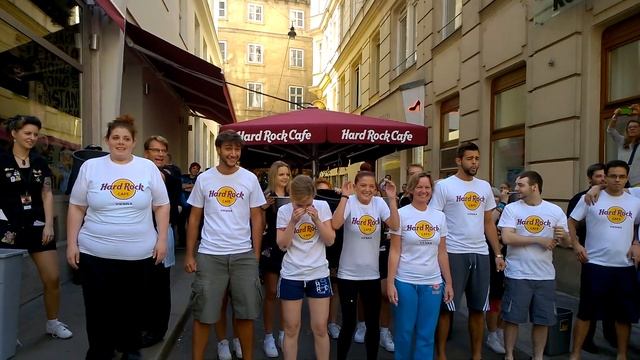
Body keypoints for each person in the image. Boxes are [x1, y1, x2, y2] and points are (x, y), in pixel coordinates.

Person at [67, 115, 170, 359]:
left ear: (134, 142)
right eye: (116, 138)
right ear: (107, 140)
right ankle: (100, 352)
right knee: (97, 311)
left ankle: (130, 352)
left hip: (138, 255)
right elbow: (76, 206)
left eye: (126, 138)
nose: (120, 142)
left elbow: (162, 205)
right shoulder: (90, 167)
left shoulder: (147, 168)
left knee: (132, 310)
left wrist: (162, 239)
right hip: (94, 254)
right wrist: (72, 243)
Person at [184, 130, 265, 360]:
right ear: (219, 150)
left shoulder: (249, 178)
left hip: (243, 254)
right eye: (228, 148)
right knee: (204, 313)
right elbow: (194, 218)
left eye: (237, 149)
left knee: (246, 313)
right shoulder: (205, 178)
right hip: (210, 254)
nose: (233, 153)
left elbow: (257, 218)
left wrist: (255, 254)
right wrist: (190, 255)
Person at [430, 142, 505, 360]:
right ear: (459, 160)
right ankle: (442, 354)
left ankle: (477, 355)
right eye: (470, 158)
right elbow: (436, 220)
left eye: (477, 159)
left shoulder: (484, 187)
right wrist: (438, 253)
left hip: (480, 253)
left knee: (478, 308)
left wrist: (498, 254)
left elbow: (488, 222)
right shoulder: (444, 186)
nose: (474, 163)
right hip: (454, 252)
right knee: (447, 309)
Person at [0, 115, 72, 340]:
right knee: (6, 284)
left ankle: (53, 323)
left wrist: (49, 224)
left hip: (38, 226)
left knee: (52, 277)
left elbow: (47, 192)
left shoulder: (40, 162)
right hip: (8, 228)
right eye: (27, 133)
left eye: (35, 134)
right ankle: (6, 331)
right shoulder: (1, 160)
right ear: (14, 134)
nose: (32, 138)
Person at [568, 160, 640, 360]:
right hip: (595, 264)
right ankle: (575, 354)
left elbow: (638, 225)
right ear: (605, 177)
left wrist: (637, 243)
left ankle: (622, 355)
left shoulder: (635, 201)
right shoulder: (590, 198)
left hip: (624, 266)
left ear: (627, 178)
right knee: (586, 312)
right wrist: (576, 245)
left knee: (623, 315)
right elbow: (572, 222)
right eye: (613, 176)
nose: (617, 180)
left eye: (622, 176)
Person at [498, 171, 570, 360]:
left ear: (534, 187)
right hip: (517, 274)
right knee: (512, 318)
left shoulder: (554, 211)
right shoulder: (512, 209)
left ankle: (537, 357)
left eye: (520, 185)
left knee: (543, 320)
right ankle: (509, 355)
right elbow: (507, 237)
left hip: (545, 275)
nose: (516, 189)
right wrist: (539, 239)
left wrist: (563, 237)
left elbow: (566, 243)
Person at [331, 171, 399, 360]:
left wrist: (392, 199)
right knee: (349, 323)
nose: (367, 190)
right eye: (363, 186)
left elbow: (394, 224)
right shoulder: (350, 201)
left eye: (371, 186)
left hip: (371, 275)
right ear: (355, 186)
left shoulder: (379, 203)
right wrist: (345, 196)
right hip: (348, 275)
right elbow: (335, 224)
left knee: (372, 323)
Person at [387, 172, 453, 360]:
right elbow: (394, 251)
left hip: (432, 282)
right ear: (411, 190)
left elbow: (442, 252)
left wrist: (448, 282)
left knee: (426, 335)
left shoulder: (439, 217)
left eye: (427, 187)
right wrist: (391, 283)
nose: (423, 191)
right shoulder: (400, 214)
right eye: (419, 187)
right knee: (404, 333)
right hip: (405, 281)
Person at [277, 175, 335, 360]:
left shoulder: (323, 207)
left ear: (313, 195)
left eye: (307, 203)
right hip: (292, 273)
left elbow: (330, 240)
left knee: (320, 327)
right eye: (298, 204)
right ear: (291, 197)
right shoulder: (284, 211)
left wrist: (317, 220)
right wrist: (293, 222)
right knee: (291, 328)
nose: (303, 208)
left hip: (318, 272)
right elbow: (282, 245)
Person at [140, 135, 182, 347]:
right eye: (155, 150)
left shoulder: (171, 171)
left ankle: (157, 330)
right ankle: (142, 326)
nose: (160, 154)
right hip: (138, 235)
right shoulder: (139, 169)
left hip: (162, 233)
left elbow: (161, 178)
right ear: (146, 152)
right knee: (142, 284)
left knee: (159, 284)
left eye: (162, 150)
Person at [566, 163, 611, 353]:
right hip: (590, 255)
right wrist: (577, 245)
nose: (602, 180)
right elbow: (571, 223)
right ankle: (587, 340)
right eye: (598, 177)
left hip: (614, 257)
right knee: (590, 300)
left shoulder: (615, 196)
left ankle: (612, 335)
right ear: (590, 178)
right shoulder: (581, 198)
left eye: (604, 176)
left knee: (612, 299)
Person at [259, 160, 291, 357]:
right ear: (273, 176)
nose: (285, 177)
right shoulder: (266, 195)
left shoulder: (294, 195)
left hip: (290, 247)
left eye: (287, 174)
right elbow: (260, 226)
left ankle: (284, 332)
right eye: (281, 174)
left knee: (286, 294)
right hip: (271, 246)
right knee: (271, 292)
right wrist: (263, 208)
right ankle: (268, 335)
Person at [315, 178, 343, 340]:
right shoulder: (310, 202)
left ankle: (332, 322)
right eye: (320, 192)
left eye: (327, 191)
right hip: (318, 248)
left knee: (335, 287)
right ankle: (321, 323)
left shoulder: (338, 200)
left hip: (336, 244)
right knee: (322, 290)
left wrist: (342, 195)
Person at [485, 185, 509, 355]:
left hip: (510, 258)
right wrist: (502, 204)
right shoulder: (487, 214)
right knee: (494, 298)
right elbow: (490, 221)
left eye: (497, 200)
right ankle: (492, 334)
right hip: (490, 259)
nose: (495, 203)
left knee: (506, 299)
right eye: (492, 200)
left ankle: (500, 331)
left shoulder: (508, 213)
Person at [607, 104, 640, 186]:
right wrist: (616, 115)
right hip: (621, 181)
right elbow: (610, 130)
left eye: (635, 127)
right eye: (630, 127)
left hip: (638, 182)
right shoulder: (622, 141)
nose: (632, 129)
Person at [178, 162, 201, 246]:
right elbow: (180, 186)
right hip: (183, 203)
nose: (195, 170)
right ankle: (182, 242)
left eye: (197, 169)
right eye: (194, 168)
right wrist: (191, 187)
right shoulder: (183, 177)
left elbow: (197, 189)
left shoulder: (199, 179)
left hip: (193, 205)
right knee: (181, 223)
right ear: (190, 169)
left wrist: (187, 187)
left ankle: (194, 240)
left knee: (192, 223)